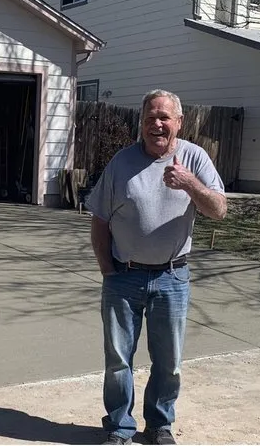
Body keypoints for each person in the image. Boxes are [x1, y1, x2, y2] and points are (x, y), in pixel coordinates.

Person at [85, 89, 228, 445]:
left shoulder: (194, 159)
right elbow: (100, 218)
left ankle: (160, 425)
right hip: (123, 276)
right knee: (118, 360)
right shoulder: (121, 162)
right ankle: (119, 427)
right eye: (150, 118)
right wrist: (106, 266)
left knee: (169, 361)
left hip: (172, 276)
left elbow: (219, 210)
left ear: (179, 122)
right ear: (141, 123)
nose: (157, 124)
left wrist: (190, 184)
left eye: (164, 117)